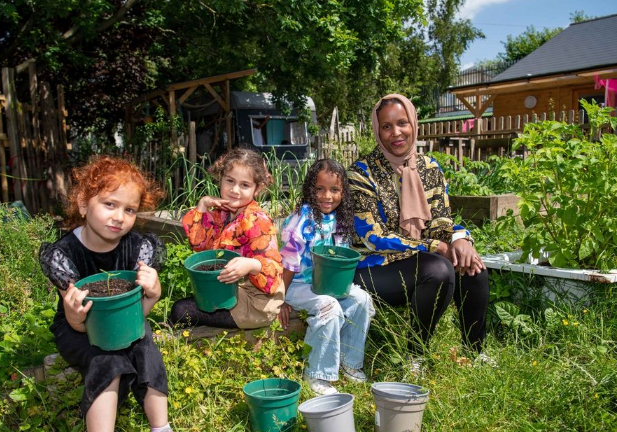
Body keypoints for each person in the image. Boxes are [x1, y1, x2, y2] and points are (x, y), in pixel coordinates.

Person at [39, 156, 187, 432]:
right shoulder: (64, 254)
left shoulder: (138, 249)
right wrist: (76, 318)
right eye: (109, 204)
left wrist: (153, 293)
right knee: (107, 358)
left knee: (145, 343)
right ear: (82, 204)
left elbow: (139, 313)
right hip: (77, 328)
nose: (119, 217)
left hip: (126, 320)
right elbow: (80, 322)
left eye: (129, 210)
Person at [348, 94, 491, 370]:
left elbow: (441, 221)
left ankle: (475, 352)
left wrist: (461, 240)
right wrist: (434, 247)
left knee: (473, 266)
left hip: (415, 261)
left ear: (413, 124)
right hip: (371, 267)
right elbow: (373, 236)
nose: (396, 133)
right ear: (377, 131)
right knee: (437, 270)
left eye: (402, 123)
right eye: (386, 126)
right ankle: (417, 355)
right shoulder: (360, 174)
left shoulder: (429, 169)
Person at [279, 159, 374, 395]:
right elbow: (289, 263)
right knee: (329, 307)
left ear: (343, 192)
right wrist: (280, 298)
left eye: (334, 190)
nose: (327, 196)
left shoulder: (340, 220)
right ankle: (317, 372)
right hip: (298, 285)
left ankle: (350, 361)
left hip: (326, 284)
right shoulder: (303, 220)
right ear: (310, 189)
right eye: (319, 189)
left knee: (361, 299)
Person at [169, 148, 284, 329]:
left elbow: (275, 272)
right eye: (230, 181)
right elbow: (199, 245)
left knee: (180, 310)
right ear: (220, 178)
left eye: (244, 185)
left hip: (256, 302)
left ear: (257, 188)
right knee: (190, 306)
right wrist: (203, 204)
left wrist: (251, 265)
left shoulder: (256, 220)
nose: (235, 190)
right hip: (230, 290)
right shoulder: (221, 213)